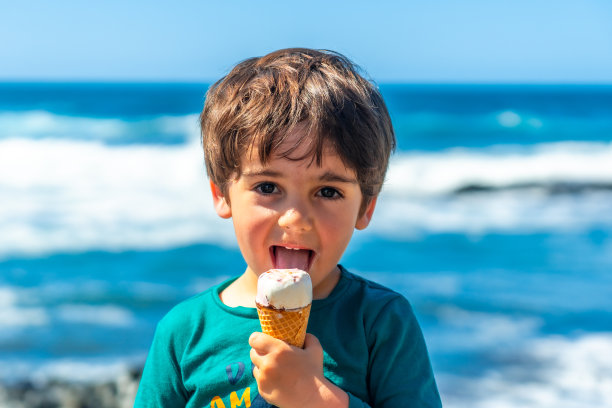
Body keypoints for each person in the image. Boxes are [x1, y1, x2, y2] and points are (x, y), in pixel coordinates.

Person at [134, 48, 442, 408]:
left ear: (366, 207)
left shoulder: (380, 322)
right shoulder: (184, 332)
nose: (295, 217)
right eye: (267, 187)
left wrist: (317, 398)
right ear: (222, 195)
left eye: (328, 191)